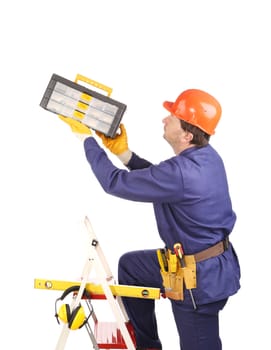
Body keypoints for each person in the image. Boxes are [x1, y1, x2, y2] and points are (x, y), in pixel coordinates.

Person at [58, 88, 241, 350]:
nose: (164, 120)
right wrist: (124, 154)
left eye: (172, 117)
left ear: (187, 134)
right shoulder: (205, 158)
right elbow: (161, 180)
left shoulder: (182, 172)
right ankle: (147, 346)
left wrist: (85, 138)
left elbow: (113, 183)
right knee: (132, 268)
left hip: (197, 280)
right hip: (213, 265)